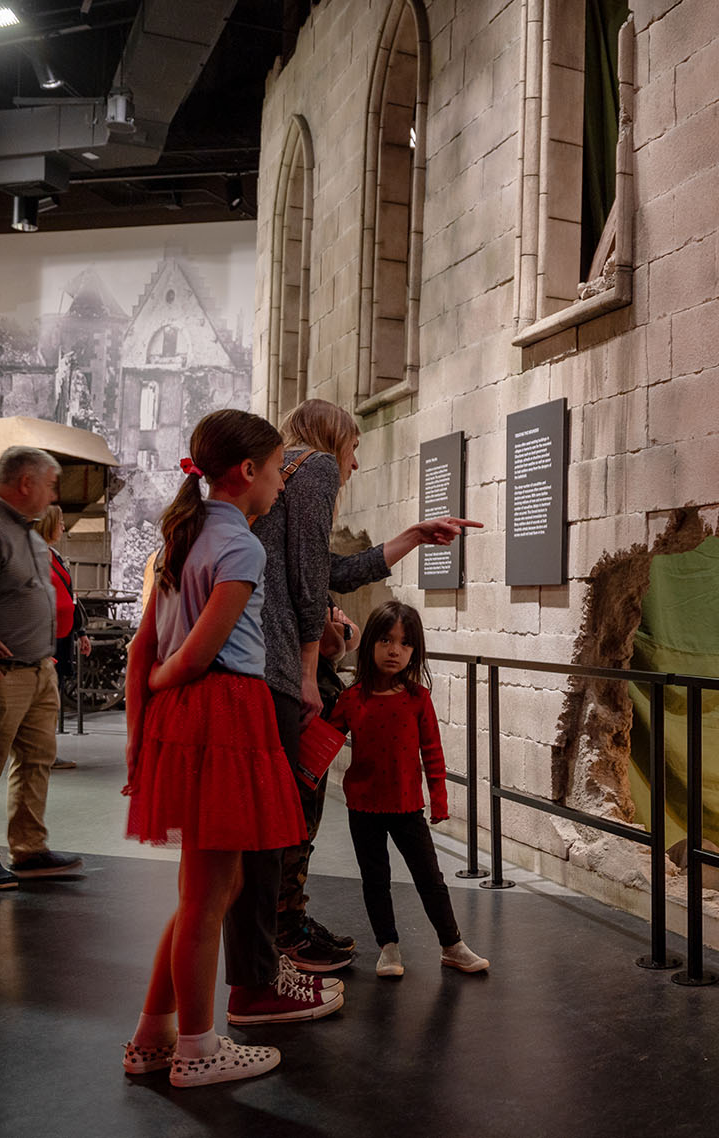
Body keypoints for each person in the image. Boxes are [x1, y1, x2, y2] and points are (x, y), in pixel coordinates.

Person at [229, 397, 477, 994]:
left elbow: (334, 571)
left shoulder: (284, 475)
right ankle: (272, 957)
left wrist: (412, 536)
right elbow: (314, 582)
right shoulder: (311, 466)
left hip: (270, 665)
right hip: (283, 668)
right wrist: (314, 669)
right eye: (355, 448)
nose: (355, 464)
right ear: (332, 439)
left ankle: (283, 930)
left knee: (288, 809)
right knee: (286, 814)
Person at [120, 409, 321, 1088]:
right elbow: (193, 650)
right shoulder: (239, 545)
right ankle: (198, 1048)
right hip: (221, 713)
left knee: (210, 887)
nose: (281, 486)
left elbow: (146, 643)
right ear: (245, 472)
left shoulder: (186, 533)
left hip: (185, 719)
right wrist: (163, 676)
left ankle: (154, 1034)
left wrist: (141, 719)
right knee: (209, 896)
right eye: (274, 471)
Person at [327, 601, 488, 979]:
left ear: (415, 650)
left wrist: (440, 799)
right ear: (370, 645)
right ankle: (388, 947)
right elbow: (325, 742)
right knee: (375, 879)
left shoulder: (418, 699)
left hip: (406, 806)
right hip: (362, 806)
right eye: (385, 640)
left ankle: (452, 945)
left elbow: (432, 752)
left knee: (430, 878)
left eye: (404, 643)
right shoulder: (353, 699)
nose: (394, 650)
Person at [0, 446, 84, 890]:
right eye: (50, 485)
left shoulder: (27, 533)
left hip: (38, 669)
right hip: (2, 674)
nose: (53, 495)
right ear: (25, 483)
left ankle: (28, 848)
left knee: (36, 760)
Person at [35, 505, 90, 760]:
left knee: (53, 696)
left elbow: (71, 595)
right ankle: (40, 751)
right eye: (59, 523)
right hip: (42, 638)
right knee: (43, 699)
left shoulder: (54, 554)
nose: (63, 527)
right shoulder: (32, 555)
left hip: (63, 637)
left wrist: (81, 632)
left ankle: (47, 750)